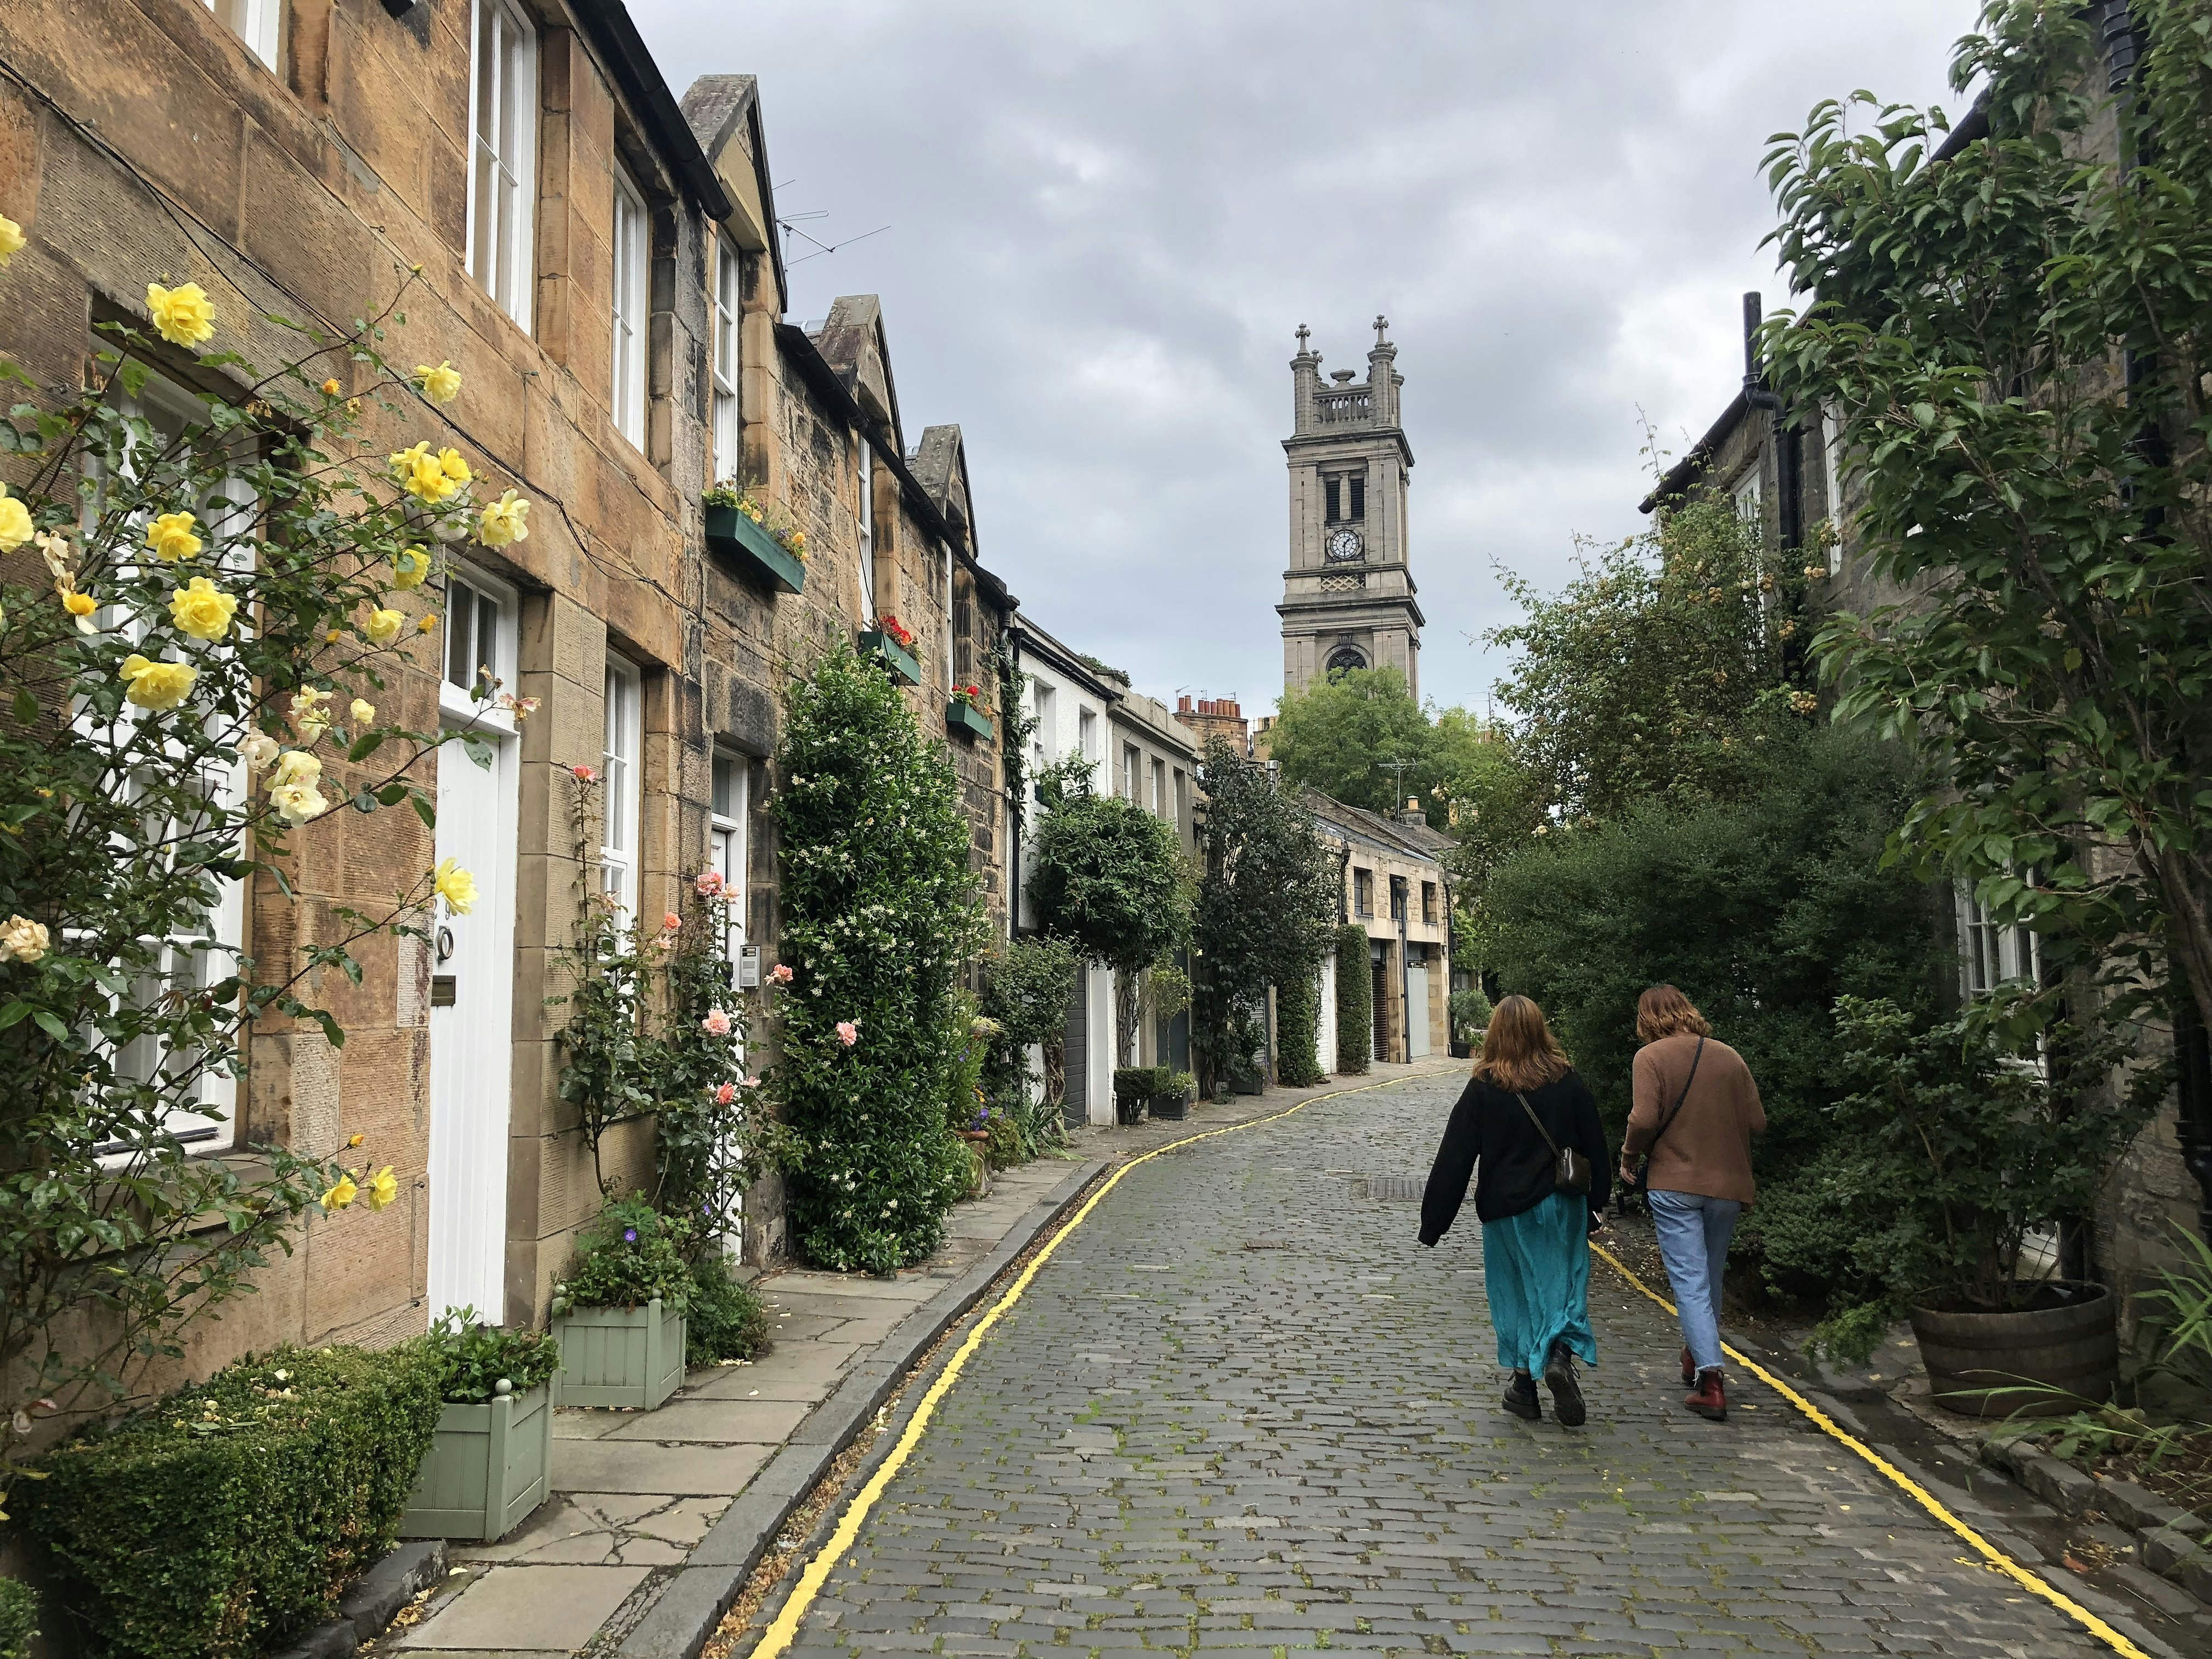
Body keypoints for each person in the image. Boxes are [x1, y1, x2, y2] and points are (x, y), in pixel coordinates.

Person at [1419, 994, 1611, 1427]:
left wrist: (1434, 1223)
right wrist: (1599, 1202)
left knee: (1516, 1294)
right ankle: (1560, 1355)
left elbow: (1454, 1158)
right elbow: (1596, 1146)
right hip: (1562, 1206)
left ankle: (1524, 1384)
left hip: (1505, 1212)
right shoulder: (1568, 1082)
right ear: (1541, 1030)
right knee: (1564, 1287)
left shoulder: (1484, 1089)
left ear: (1496, 1034)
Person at [1617, 984, 1765, 1423]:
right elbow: (1758, 1122)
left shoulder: (1650, 1058)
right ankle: (1696, 1353)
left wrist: (1628, 1156)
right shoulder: (1730, 1057)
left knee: (1689, 1280)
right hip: (1727, 1186)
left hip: (1675, 1183)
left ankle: (1711, 1379)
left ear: (1647, 1019)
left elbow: (1643, 1119)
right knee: (1711, 1276)